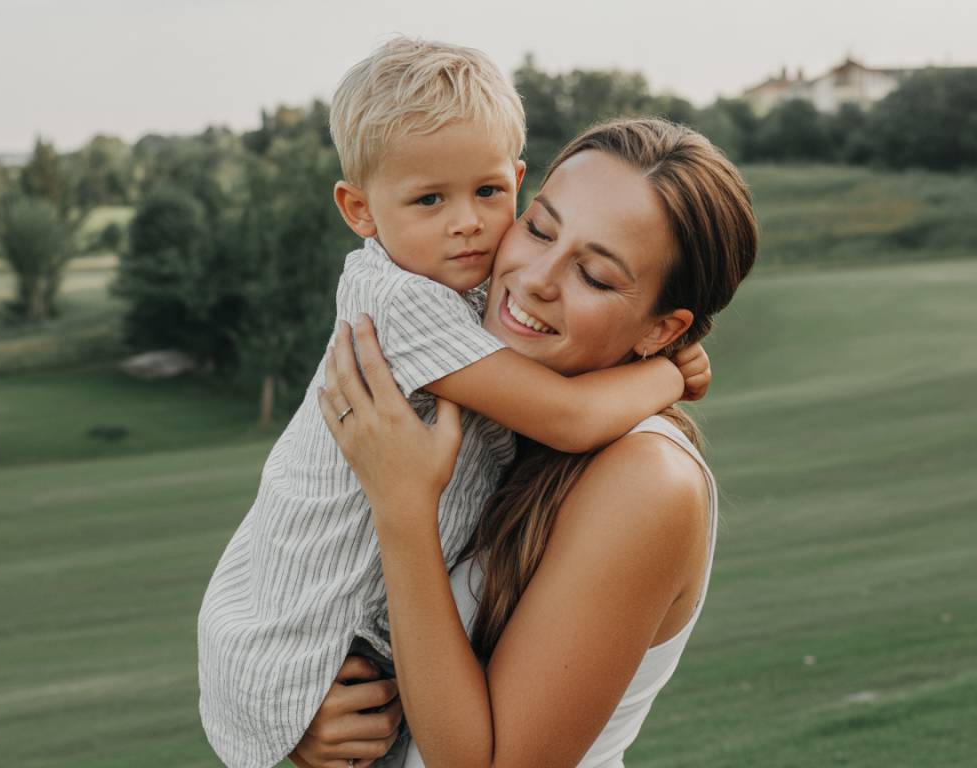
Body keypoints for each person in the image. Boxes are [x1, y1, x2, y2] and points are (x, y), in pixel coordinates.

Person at [197, 39, 706, 768]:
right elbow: (567, 419)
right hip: (307, 640)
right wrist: (672, 376)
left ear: (516, 178)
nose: (468, 224)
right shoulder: (403, 303)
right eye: (430, 200)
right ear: (359, 210)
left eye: (491, 195)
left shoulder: (644, 479)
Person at [296, 117, 758, 767]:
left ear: (662, 330)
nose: (537, 277)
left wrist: (403, 509)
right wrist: (320, 713)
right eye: (539, 228)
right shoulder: (491, 418)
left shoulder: (647, 479)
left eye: (594, 275)